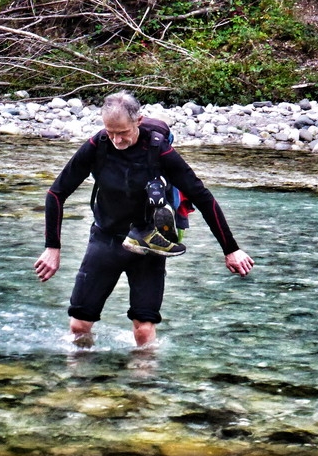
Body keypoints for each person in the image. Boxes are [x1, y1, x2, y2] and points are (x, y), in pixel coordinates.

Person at [33, 91, 254, 348]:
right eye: (110, 131)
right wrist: (52, 247)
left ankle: (143, 386)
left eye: (123, 132)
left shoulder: (159, 150)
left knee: (143, 329)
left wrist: (231, 249)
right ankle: (81, 383)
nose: (117, 139)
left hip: (149, 244)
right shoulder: (98, 146)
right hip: (106, 240)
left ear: (139, 120)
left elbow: (203, 198)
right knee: (79, 325)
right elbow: (56, 193)